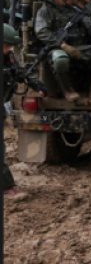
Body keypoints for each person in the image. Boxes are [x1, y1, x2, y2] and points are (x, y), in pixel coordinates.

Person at [2, 24, 45, 200]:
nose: (10, 49)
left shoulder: (8, 57)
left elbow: (19, 72)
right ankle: (7, 188)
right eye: (7, 45)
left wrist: (37, 85)